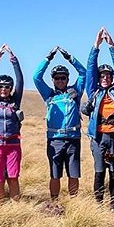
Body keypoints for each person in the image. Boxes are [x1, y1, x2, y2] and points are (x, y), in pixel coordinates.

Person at [82, 27, 114, 209]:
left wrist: (112, 46)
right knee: (99, 170)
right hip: (98, 137)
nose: (105, 78)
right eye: (102, 76)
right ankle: (98, 204)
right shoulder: (93, 92)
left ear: (112, 78)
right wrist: (95, 46)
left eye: (108, 76)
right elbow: (90, 70)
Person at [33, 46, 86, 201]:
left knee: (73, 174)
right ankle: (54, 202)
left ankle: (74, 202)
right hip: (55, 140)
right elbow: (36, 77)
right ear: (53, 80)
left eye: (63, 78)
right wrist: (47, 59)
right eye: (57, 78)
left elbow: (83, 73)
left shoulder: (75, 92)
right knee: (55, 174)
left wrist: (70, 58)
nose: (60, 80)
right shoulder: (49, 94)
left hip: (73, 139)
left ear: (67, 79)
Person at [0, 43, 24, 207]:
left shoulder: (15, 101)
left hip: (13, 145)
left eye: (7, 87)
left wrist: (13, 59)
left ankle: (16, 208)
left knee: (13, 177)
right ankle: (0, 211)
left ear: (11, 88)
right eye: (0, 86)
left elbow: (20, 79)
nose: (3, 89)